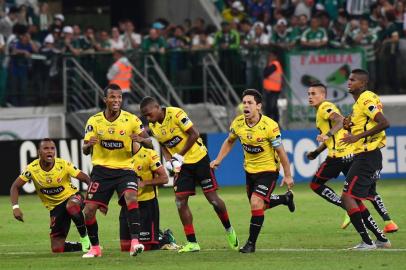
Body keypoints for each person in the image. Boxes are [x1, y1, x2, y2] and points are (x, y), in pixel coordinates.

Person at [139, 96, 239, 253]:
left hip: (199, 159)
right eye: (144, 116)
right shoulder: (153, 126)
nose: (147, 118)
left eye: (148, 113)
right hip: (182, 166)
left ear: (158, 107)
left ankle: (229, 229)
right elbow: (164, 145)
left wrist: (179, 155)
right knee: (180, 201)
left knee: (213, 200)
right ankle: (192, 242)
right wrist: (170, 161)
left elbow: (194, 134)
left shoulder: (176, 114)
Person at [210, 89, 295, 253]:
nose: (246, 106)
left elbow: (281, 152)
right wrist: (218, 159)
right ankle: (285, 199)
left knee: (256, 203)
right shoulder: (238, 123)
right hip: (250, 171)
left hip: (269, 171)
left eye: (250, 103)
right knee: (259, 207)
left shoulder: (270, 126)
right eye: (244, 103)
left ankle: (251, 244)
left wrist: (288, 174)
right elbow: (229, 141)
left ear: (259, 106)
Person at [306, 83, 398, 233]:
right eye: (309, 94)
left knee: (316, 184)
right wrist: (317, 151)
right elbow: (335, 133)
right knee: (367, 191)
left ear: (323, 95)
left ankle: (345, 206)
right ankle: (388, 221)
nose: (310, 97)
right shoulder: (322, 110)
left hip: (338, 156)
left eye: (314, 93)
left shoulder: (324, 107)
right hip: (351, 154)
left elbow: (340, 121)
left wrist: (326, 135)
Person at [82, 83, 152, 258]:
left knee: (131, 197)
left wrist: (141, 140)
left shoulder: (132, 120)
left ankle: (135, 243)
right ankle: (95, 248)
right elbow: (84, 149)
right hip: (101, 171)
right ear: (105, 99)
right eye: (113, 97)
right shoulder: (94, 121)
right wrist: (87, 145)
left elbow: (150, 143)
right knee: (88, 210)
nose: (116, 100)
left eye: (119, 97)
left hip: (125, 169)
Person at [10, 138, 91, 253]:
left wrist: (89, 198)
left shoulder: (63, 164)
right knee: (57, 248)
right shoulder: (32, 169)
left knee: (71, 206)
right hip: (55, 208)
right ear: (39, 152)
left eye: (52, 148)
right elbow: (15, 187)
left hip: (72, 197)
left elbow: (87, 179)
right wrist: (15, 207)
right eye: (46, 148)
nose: (50, 151)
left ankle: (85, 239)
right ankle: (82, 246)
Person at [340, 69, 391, 249]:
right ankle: (381, 240)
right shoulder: (360, 103)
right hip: (367, 155)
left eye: (353, 80)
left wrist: (357, 136)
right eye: (349, 79)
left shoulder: (366, 99)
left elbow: (384, 122)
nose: (349, 82)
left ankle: (367, 242)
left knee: (347, 197)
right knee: (355, 198)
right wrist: (350, 125)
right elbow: (365, 122)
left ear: (362, 84)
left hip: (368, 156)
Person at [119, 141, 171, 251]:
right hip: (127, 204)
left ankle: (166, 239)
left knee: (146, 247)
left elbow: (165, 178)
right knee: (125, 247)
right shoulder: (119, 156)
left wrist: (144, 183)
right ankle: (160, 235)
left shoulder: (148, 154)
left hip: (146, 204)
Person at [262, 51, 283, 123]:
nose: (269, 57)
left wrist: (267, 65)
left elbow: (265, 73)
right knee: (269, 107)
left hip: (274, 89)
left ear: (275, 57)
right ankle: (270, 123)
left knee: (272, 107)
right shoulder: (271, 65)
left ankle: (275, 122)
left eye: (271, 56)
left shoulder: (275, 64)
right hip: (269, 89)